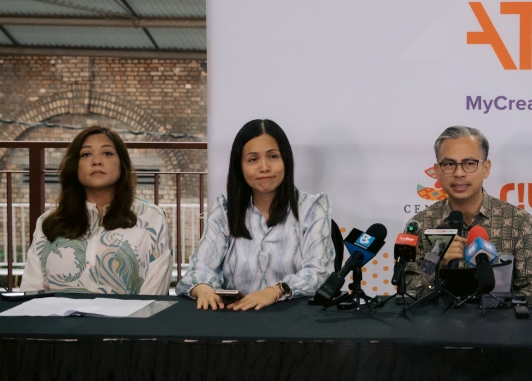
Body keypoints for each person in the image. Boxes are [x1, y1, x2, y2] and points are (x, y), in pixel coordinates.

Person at [176, 119, 336, 310]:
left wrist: (274, 292)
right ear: (240, 166)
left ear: (286, 160)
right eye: (253, 159)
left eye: (273, 156)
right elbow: (199, 270)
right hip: (236, 318)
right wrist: (203, 289)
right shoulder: (224, 212)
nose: (264, 167)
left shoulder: (311, 208)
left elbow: (319, 273)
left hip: (295, 318)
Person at [21, 125, 172, 295]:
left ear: (122, 163)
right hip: (54, 313)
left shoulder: (152, 218)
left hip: (134, 314)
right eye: (86, 154)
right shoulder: (48, 222)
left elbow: (154, 296)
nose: (97, 161)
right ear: (74, 165)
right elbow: (31, 288)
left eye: (107, 153)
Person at [403, 126, 532, 296]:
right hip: (437, 314)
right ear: (437, 171)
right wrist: (438, 266)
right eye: (449, 164)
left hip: (498, 313)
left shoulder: (518, 222)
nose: (459, 173)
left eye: (469, 163)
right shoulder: (420, 225)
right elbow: (408, 292)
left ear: (486, 168)